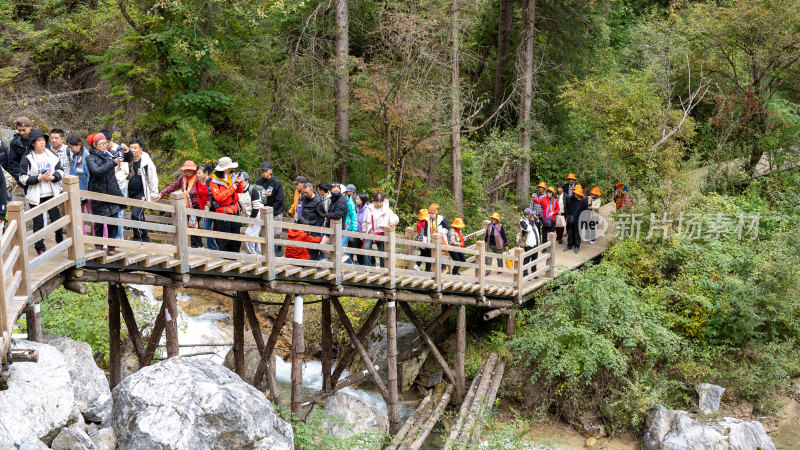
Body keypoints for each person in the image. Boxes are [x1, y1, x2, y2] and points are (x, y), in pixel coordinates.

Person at [19, 130, 64, 255]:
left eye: (43, 140)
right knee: (38, 223)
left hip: (51, 192)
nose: (42, 143)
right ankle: (40, 248)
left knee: (57, 220)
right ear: (33, 143)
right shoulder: (27, 158)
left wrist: (53, 177)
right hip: (36, 195)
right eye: (39, 140)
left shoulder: (51, 155)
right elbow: (22, 178)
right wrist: (38, 178)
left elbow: (61, 171)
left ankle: (60, 241)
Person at [85, 132, 130, 255]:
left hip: (112, 190)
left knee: (113, 220)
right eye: (101, 144)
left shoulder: (111, 153)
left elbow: (128, 158)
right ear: (95, 145)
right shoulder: (90, 157)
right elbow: (97, 171)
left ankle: (112, 246)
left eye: (105, 143)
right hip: (97, 192)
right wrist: (113, 162)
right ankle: (98, 246)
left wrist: (126, 151)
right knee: (99, 221)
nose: (104, 145)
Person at [154, 160, 203, 248]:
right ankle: (198, 245)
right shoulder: (182, 178)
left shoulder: (198, 178)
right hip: (186, 205)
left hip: (197, 204)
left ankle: (195, 245)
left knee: (193, 224)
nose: (188, 171)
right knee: (192, 225)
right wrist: (161, 194)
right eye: (186, 169)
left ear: (194, 170)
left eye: (190, 169)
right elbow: (172, 186)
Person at [208, 157, 246, 253]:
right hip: (223, 212)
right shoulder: (214, 181)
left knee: (236, 237)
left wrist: (239, 182)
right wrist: (232, 188)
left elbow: (240, 191)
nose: (230, 169)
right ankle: (225, 260)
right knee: (225, 238)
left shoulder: (232, 176)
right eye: (228, 167)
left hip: (235, 209)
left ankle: (235, 259)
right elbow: (219, 197)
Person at [125, 139, 159, 242]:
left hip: (142, 193)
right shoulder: (127, 160)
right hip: (130, 192)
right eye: (131, 148)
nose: (133, 150)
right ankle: (145, 236)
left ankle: (137, 237)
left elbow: (153, 178)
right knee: (140, 215)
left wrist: (154, 194)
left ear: (141, 149)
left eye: (135, 148)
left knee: (135, 214)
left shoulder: (146, 162)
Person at [102, 130, 128, 240]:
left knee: (119, 212)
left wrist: (113, 179)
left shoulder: (119, 150)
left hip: (119, 185)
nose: (104, 145)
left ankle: (119, 237)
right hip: (105, 186)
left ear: (111, 140)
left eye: (106, 142)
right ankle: (109, 237)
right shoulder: (101, 151)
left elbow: (125, 170)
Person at [10, 116, 46, 189]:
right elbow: (14, 163)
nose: (21, 133)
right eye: (19, 130)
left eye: (23, 130)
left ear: (30, 126)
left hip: (43, 176)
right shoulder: (15, 142)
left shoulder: (39, 138)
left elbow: (48, 156)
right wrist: (20, 181)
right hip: (25, 179)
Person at [364, 193, 398, 268]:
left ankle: (383, 270)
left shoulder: (386, 209)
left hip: (381, 232)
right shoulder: (369, 208)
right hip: (371, 231)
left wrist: (392, 222)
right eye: (377, 202)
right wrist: (364, 230)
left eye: (380, 202)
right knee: (366, 248)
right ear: (374, 201)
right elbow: (365, 221)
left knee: (382, 252)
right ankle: (368, 268)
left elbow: (393, 217)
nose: (379, 204)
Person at [66, 135, 90, 234]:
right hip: (76, 191)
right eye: (69, 147)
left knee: (92, 215)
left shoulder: (87, 157)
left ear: (79, 145)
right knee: (78, 216)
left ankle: (100, 238)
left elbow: (89, 176)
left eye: (72, 147)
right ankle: (81, 235)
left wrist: (88, 193)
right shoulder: (74, 156)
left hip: (87, 191)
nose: (70, 149)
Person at [256, 162, 285, 246]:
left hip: (276, 211)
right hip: (263, 210)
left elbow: (279, 199)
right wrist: (263, 194)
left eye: (265, 171)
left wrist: (271, 211)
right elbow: (255, 195)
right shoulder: (259, 182)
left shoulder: (276, 182)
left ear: (270, 170)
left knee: (275, 233)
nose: (264, 173)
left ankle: (277, 249)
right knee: (264, 232)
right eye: (262, 171)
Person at [237, 172, 265, 255]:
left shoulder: (253, 190)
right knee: (255, 235)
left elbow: (256, 207)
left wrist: (252, 220)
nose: (240, 183)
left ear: (246, 181)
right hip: (250, 215)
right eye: (239, 181)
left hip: (258, 215)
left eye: (242, 181)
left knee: (249, 233)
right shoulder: (239, 191)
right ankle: (258, 254)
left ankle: (252, 254)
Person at [300, 182, 326, 260]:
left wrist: (317, 227)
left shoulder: (318, 201)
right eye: (303, 192)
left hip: (314, 227)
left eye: (307, 192)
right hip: (304, 225)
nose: (305, 194)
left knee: (314, 247)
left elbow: (322, 216)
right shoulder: (303, 197)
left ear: (312, 190)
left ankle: (314, 263)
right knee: (304, 246)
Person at [324, 184, 348, 262]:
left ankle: (340, 256)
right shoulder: (333, 199)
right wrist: (328, 216)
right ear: (330, 191)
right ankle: (336, 259)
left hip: (337, 228)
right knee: (330, 246)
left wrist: (327, 215)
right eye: (333, 191)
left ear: (340, 191)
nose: (335, 192)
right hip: (331, 227)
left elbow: (338, 215)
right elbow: (331, 211)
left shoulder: (341, 201)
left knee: (323, 245)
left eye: (337, 191)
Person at [196, 164, 217, 250]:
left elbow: (216, 194)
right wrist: (203, 211)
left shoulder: (212, 181)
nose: (197, 175)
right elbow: (199, 197)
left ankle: (222, 248)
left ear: (206, 173)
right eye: (197, 173)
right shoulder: (197, 182)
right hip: (206, 209)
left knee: (217, 228)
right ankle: (212, 248)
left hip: (215, 208)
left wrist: (212, 203)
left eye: (199, 173)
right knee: (206, 227)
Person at [564, 185, 588, 253]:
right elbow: (568, 208)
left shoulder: (584, 201)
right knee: (570, 233)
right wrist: (567, 217)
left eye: (576, 193)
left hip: (579, 219)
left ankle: (577, 246)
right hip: (571, 219)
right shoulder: (571, 199)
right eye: (574, 193)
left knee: (577, 233)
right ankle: (569, 246)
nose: (575, 194)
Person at [348, 193, 370, 265]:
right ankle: (356, 263)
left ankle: (367, 263)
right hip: (355, 232)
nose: (356, 200)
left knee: (363, 249)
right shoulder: (355, 207)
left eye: (357, 199)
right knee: (354, 247)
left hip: (364, 233)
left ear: (362, 200)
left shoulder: (367, 209)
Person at [519, 208, 541, 277]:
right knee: (527, 259)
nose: (532, 215)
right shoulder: (522, 221)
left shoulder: (531, 220)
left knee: (535, 258)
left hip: (535, 242)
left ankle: (534, 272)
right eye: (530, 214)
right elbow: (528, 229)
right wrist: (532, 221)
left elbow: (541, 226)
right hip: (528, 243)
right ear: (526, 215)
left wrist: (537, 220)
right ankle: (525, 273)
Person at [529, 182, 549, 247]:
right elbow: (531, 204)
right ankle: (537, 242)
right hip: (534, 215)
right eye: (540, 187)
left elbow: (546, 207)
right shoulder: (534, 195)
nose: (540, 188)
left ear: (544, 189)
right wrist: (531, 213)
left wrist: (540, 215)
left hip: (542, 216)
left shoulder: (546, 196)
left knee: (544, 230)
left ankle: (544, 244)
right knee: (536, 229)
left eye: (542, 188)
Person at [342, 184, 358, 263]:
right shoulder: (343, 200)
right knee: (343, 246)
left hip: (348, 227)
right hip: (341, 226)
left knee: (342, 246)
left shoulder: (351, 203)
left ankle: (349, 263)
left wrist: (353, 231)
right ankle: (349, 263)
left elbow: (354, 217)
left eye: (348, 191)